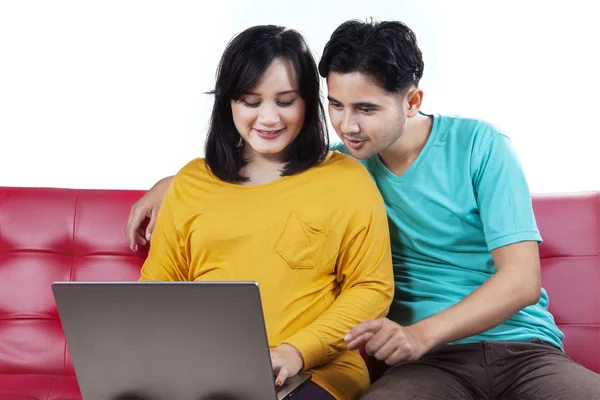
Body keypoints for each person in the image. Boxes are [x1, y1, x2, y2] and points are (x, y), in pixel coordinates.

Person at [127, 19, 600, 400]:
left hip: (521, 348)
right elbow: (259, 176)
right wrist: (175, 182)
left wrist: (418, 335)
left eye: (367, 110)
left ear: (412, 101)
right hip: (427, 368)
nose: (348, 126)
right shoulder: (344, 164)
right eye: (335, 105)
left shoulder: (479, 147)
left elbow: (521, 280)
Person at [135, 24, 394, 400]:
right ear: (229, 103)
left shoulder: (346, 180)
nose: (269, 119)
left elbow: (371, 288)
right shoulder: (192, 182)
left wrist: (296, 352)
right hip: (207, 373)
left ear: (308, 102)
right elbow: (159, 285)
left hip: (315, 373)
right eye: (251, 102)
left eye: (286, 101)